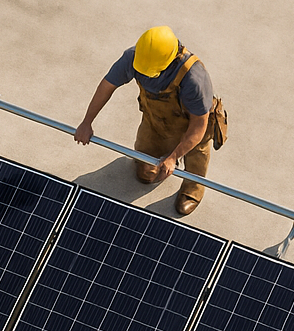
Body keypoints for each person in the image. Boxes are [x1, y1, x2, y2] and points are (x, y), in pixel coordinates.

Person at [74, 26, 217, 216]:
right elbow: (106, 87)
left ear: (169, 61)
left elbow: (199, 127)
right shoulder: (134, 58)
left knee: (196, 156)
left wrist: (173, 157)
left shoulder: (194, 79)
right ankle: (164, 160)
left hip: (192, 126)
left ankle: (193, 187)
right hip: (155, 121)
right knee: (145, 175)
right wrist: (86, 122)